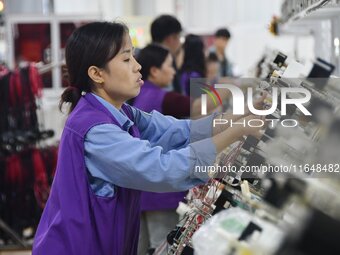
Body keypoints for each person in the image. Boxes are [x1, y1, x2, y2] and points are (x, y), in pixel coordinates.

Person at [32, 21, 262, 255]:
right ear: (96, 74)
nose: (137, 66)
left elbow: (180, 131)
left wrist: (244, 113)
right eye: (126, 59)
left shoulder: (121, 112)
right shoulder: (96, 130)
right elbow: (162, 168)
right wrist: (236, 131)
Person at [133, 44, 192, 254]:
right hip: (161, 194)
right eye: (170, 65)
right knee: (164, 246)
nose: (174, 71)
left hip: (140, 192)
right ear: (155, 70)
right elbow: (200, 106)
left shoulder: (137, 98)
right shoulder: (163, 98)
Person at [151, 15, 183, 93]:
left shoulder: (146, 57)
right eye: (178, 37)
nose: (180, 43)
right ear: (170, 38)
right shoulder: (162, 62)